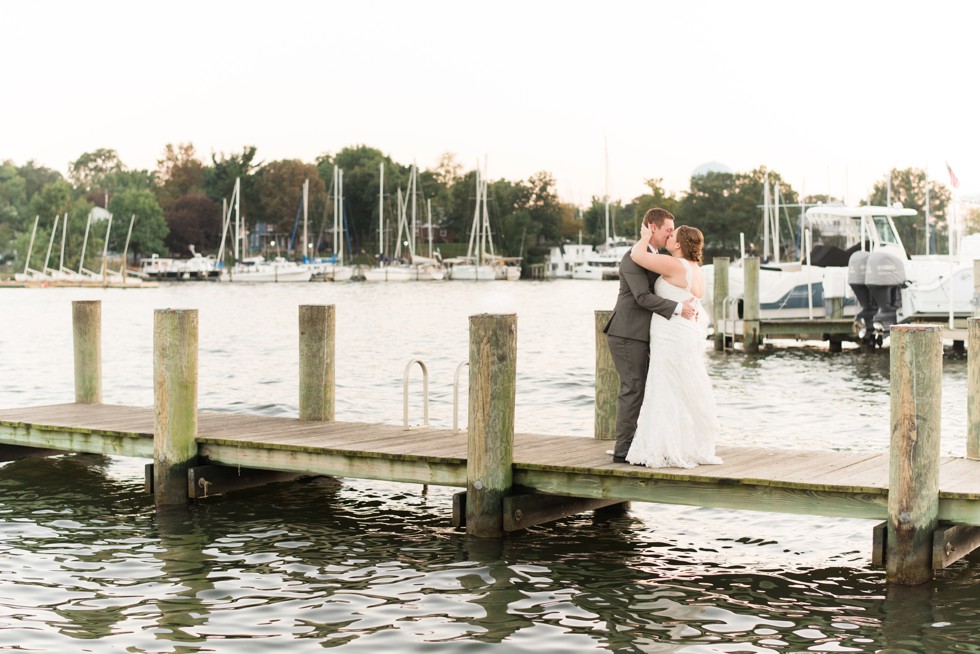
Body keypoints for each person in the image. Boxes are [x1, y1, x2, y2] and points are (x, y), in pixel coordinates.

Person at [603, 208, 696, 464]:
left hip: (651, 334)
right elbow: (642, 297)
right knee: (633, 388)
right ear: (652, 228)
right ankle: (623, 450)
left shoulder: (659, 256)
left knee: (653, 388)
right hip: (627, 333)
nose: (670, 235)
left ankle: (646, 442)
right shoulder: (632, 258)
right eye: (667, 230)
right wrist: (678, 309)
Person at [626, 223, 722, 468]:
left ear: (679, 244)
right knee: (684, 385)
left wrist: (645, 236)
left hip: (671, 332)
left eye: (673, 234)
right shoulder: (696, 269)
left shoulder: (675, 264)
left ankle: (664, 447)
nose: (669, 236)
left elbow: (637, 255)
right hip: (686, 333)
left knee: (666, 385)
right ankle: (683, 444)